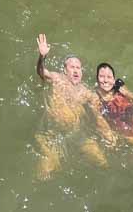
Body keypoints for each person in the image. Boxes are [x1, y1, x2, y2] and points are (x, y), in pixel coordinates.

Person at [34, 34, 114, 179]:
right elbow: (41, 72)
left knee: (103, 162)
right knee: (46, 173)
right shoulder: (57, 78)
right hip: (52, 134)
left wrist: (107, 131)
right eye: (72, 67)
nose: (76, 70)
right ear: (65, 70)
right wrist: (42, 57)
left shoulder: (87, 92)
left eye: (79, 68)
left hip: (78, 134)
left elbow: (97, 114)